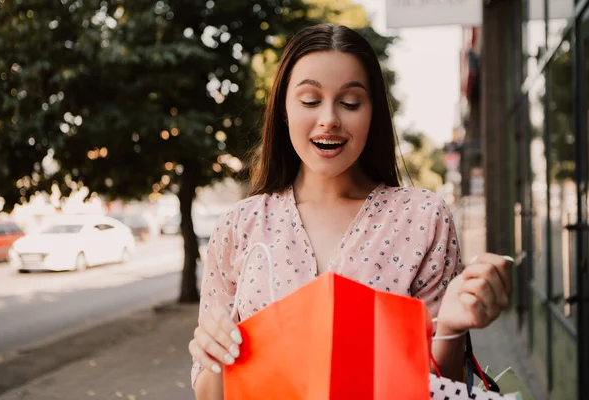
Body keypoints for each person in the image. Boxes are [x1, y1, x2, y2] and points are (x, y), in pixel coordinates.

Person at [189, 23, 513, 399]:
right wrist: (213, 356)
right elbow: (211, 393)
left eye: (350, 102)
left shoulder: (424, 217)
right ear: (283, 110)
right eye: (310, 100)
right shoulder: (239, 225)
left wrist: (452, 330)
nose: (329, 118)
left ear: (373, 113)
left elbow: (443, 388)